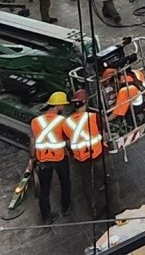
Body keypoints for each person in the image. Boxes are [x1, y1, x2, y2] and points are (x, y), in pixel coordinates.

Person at [64, 89, 108, 216]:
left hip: (81, 159)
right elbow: (103, 135)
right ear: (86, 102)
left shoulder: (67, 123)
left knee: (88, 185)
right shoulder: (94, 117)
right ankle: (114, 209)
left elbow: (67, 142)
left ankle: (94, 211)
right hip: (98, 155)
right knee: (109, 180)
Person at [30, 91, 72, 224]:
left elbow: (32, 141)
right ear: (58, 106)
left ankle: (46, 217)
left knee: (44, 190)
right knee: (65, 183)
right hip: (60, 158)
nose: (64, 107)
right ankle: (66, 208)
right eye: (63, 105)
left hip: (43, 160)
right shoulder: (62, 121)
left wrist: (33, 157)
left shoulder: (35, 121)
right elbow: (68, 139)